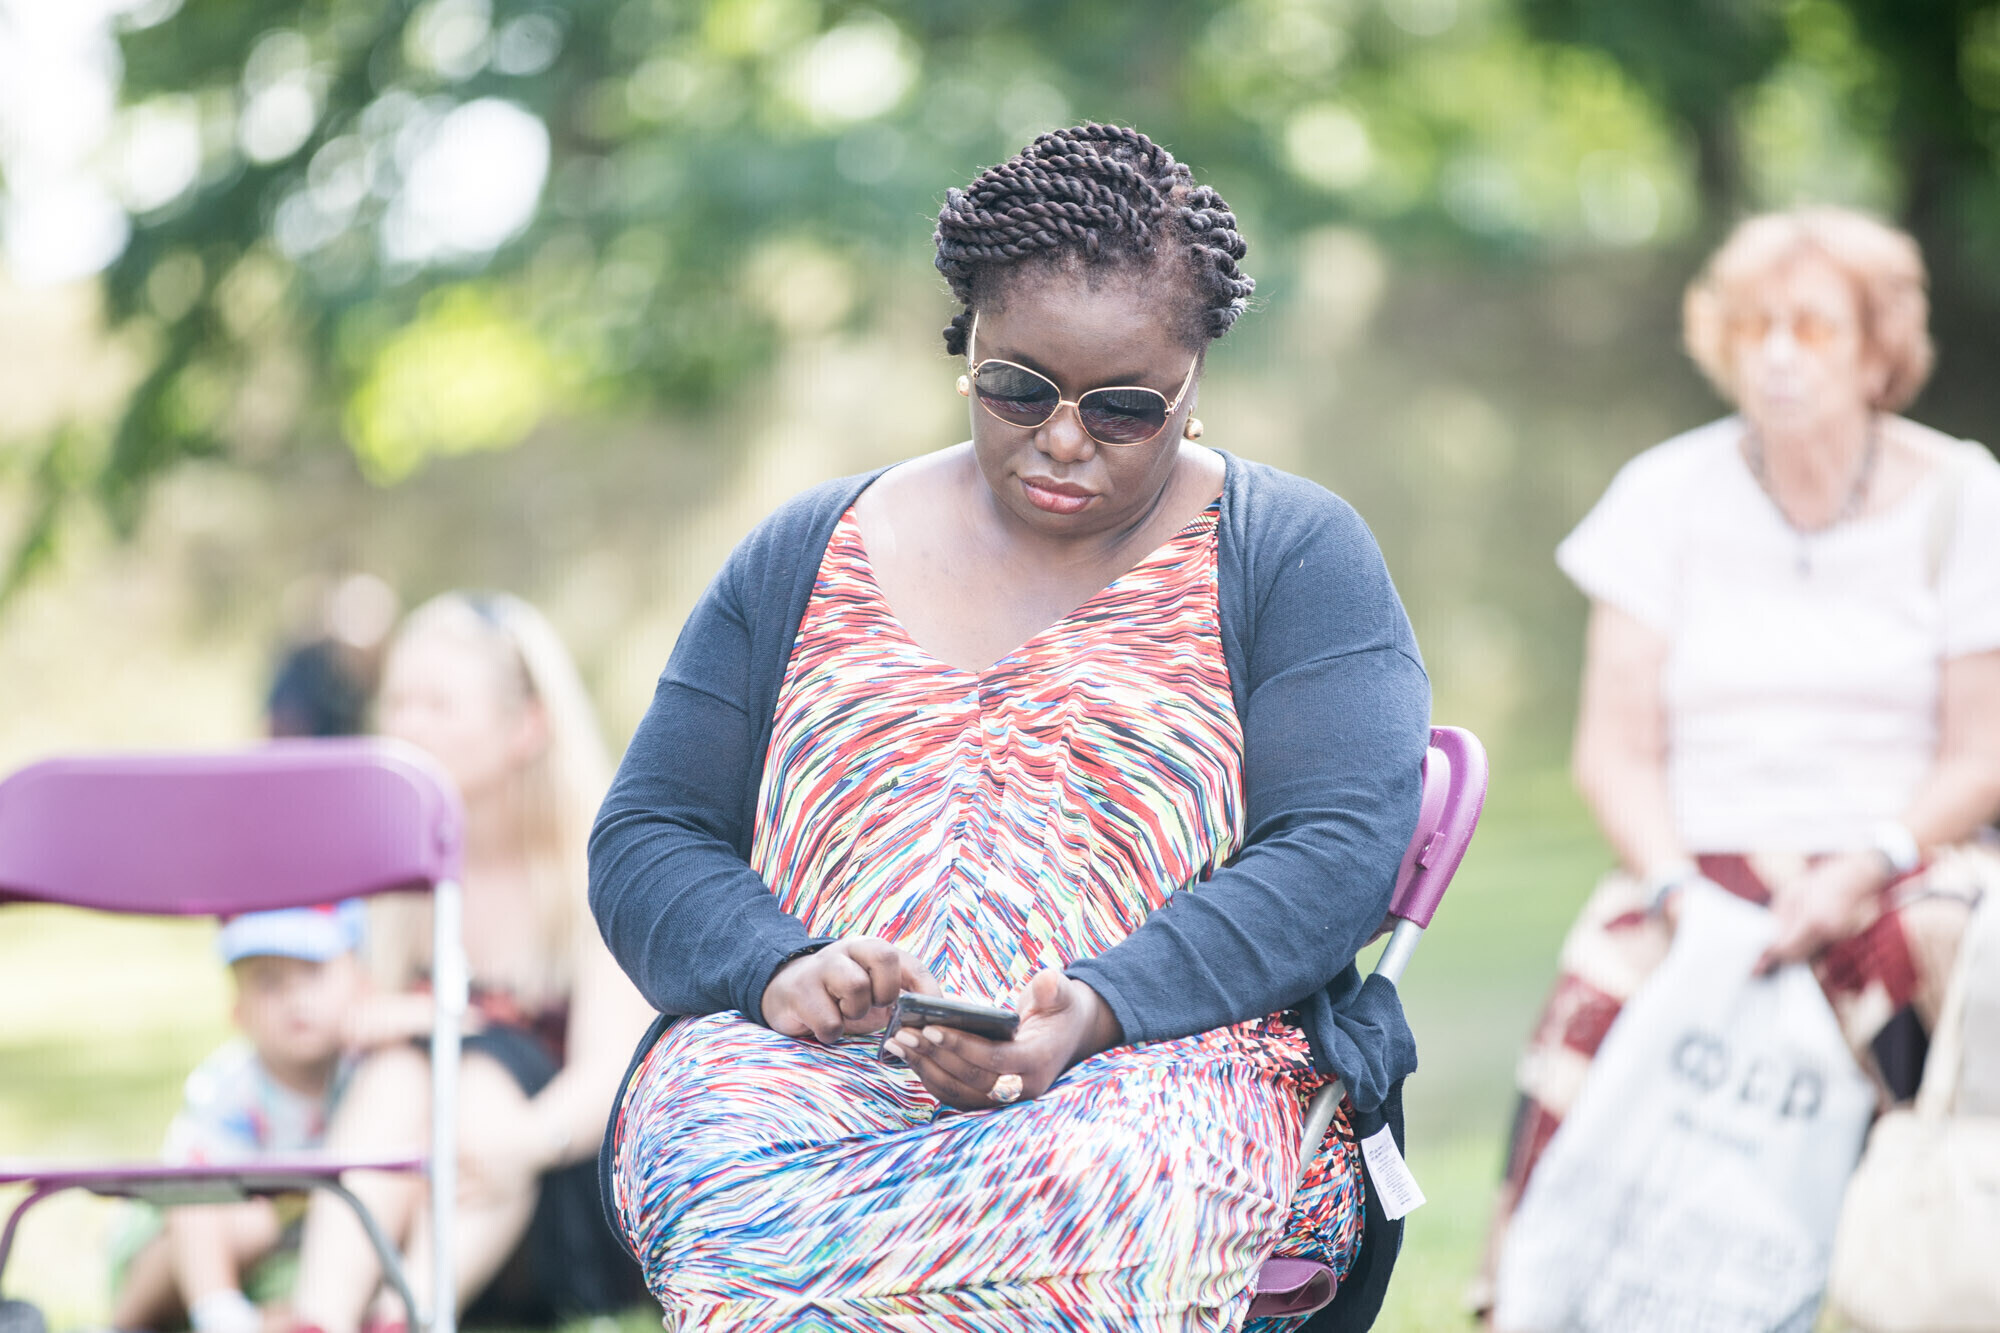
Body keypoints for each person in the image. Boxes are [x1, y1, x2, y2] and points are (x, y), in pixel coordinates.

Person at [592, 123, 1432, 1332]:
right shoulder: (804, 551)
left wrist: (1091, 1010)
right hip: (813, 1078)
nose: (1063, 437)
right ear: (967, 347)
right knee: (713, 1157)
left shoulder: (1293, 553)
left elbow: (1335, 853)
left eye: (1123, 408)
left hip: (1161, 1076)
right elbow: (649, 833)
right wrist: (776, 965)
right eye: (1019, 389)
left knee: (1095, 1185)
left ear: (1193, 384)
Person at [1475, 207, 2000, 1314]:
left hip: (1898, 851)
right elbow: (1612, 752)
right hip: (1697, 863)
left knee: (1934, 945)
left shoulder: (1963, 495)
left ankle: (1923, 1268)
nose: (1776, 354)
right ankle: (1559, 1288)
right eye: (1754, 326)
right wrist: (1676, 890)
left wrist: (1863, 864)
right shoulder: (1662, 494)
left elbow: (1979, 751)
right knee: (1608, 983)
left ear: (1877, 350)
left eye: (1812, 327)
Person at [288, 593, 652, 1331]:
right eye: (398, 702)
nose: (408, 726)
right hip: (414, 1175)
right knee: (397, 1073)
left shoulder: (596, 871)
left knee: (483, 1077)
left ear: (527, 725)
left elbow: (605, 1074)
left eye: (439, 705)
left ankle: (409, 1314)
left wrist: (518, 1143)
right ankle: (321, 1315)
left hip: (546, 1175)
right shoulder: (388, 877)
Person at [108, 906, 368, 1333]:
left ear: (361, 983)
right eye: (269, 982)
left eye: (313, 973)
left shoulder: (367, 1077)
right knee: (247, 1222)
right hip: (190, 1233)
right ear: (238, 1011)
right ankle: (195, 1317)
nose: (296, 1000)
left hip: (293, 1248)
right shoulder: (230, 1085)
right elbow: (188, 1193)